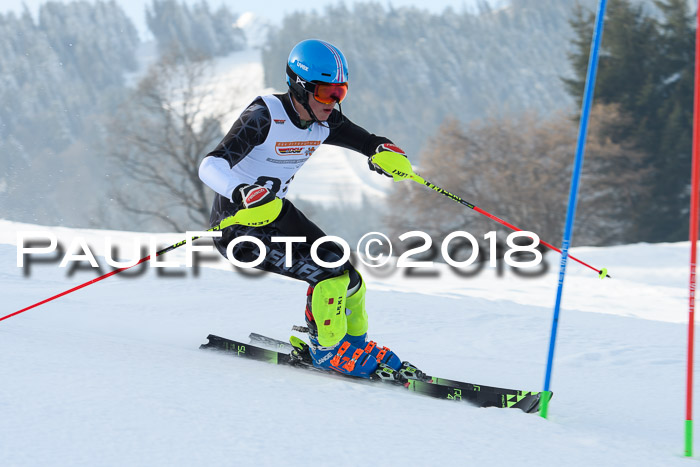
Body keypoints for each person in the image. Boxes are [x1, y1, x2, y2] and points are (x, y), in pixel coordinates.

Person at [198, 39, 410, 379]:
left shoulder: (323, 120)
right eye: (327, 93)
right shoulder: (264, 116)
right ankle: (327, 352)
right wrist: (242, 192)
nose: (335, 101)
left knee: (350, 277)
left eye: (341, 92)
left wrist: (382, 151)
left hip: (278, 214)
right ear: (300, 87)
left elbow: (366, 141)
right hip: (237, 228)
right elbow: (210, 165)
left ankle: (350, 346)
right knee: (329, 276)